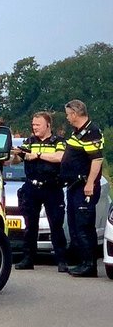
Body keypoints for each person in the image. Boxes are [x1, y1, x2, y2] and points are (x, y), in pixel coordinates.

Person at [10, 112, 67, 271]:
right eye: (33, 124)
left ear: (48, 125)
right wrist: (16, 155)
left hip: (52, 187)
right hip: (32, 187)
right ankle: (28, 259)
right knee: (30, 225)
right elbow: (18, 160)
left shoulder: (58, 142)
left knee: (56, 224)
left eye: (38, 125)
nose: (34, 127)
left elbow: (59, 157)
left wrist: (38, 155)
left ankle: (61, 260)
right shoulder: (29, 142)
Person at [60, 100, 105, 277]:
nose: (67, 118)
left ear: (75, 114)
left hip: (84, 186)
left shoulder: (91, 131)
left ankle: (89, 264)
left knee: (84, 225)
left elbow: (97, 160)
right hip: (74, 185)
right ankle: (80, 260)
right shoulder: (78, 132)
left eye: (68, 114)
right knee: (74, 224)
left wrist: (90, 183)